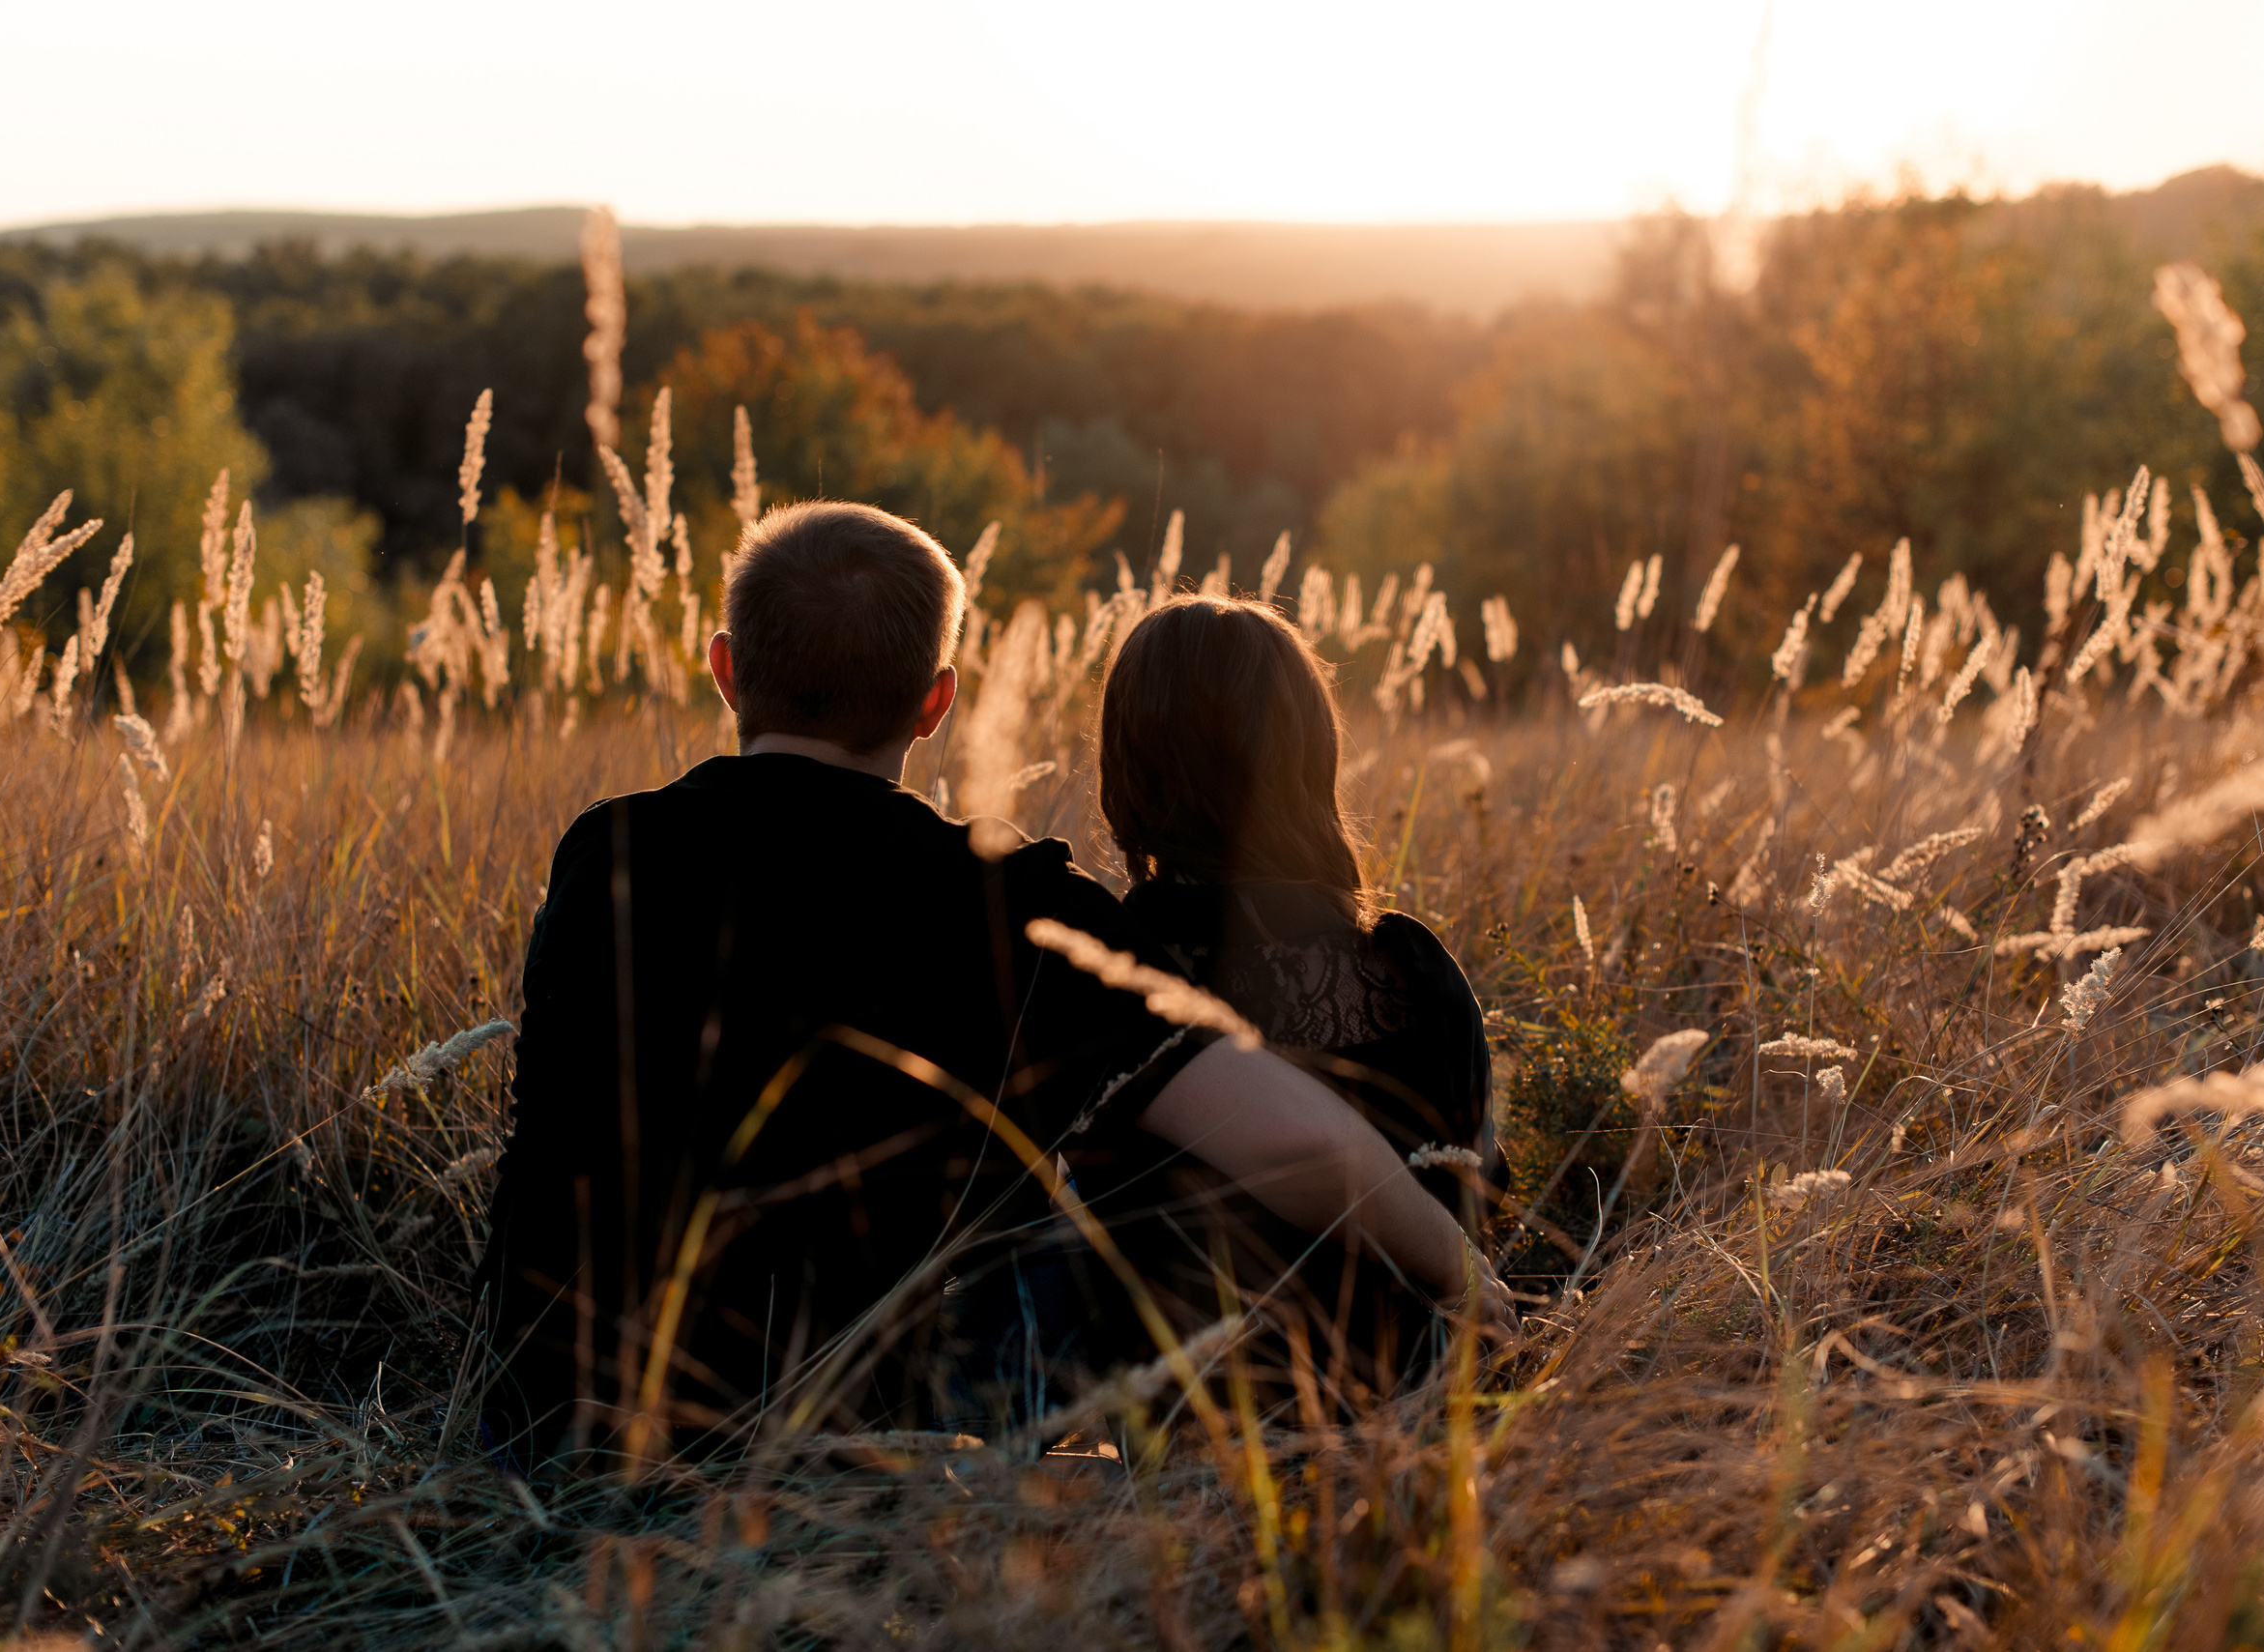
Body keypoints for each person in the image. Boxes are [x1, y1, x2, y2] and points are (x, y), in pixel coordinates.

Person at [475, 503, 1509, 1472]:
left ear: (726, 670)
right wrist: (1481, 1292)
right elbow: (1300, 1142)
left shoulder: (602, 850)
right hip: (823, 1480)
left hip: (539, 1447)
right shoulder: (1007, 906)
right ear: (937, 700)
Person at [1069, 594, 1507, 1406]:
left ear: (1125, 765)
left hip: (1189, 1447)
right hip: (1423, 1424)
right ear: (1313, 754)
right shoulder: (1415, 967)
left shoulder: (1101, 972)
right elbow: (1478, 1193)